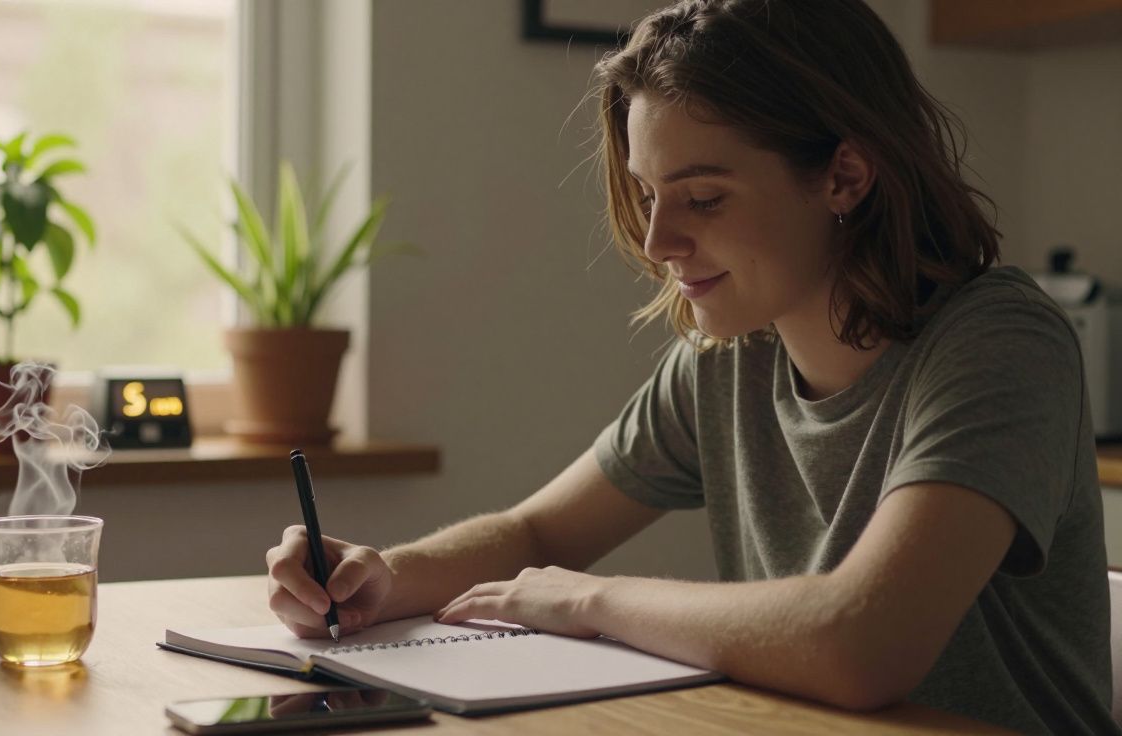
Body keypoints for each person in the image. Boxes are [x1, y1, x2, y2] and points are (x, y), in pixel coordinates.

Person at [265, 1, 1117, 733]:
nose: (657, 241)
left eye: (703, 198)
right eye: (648, 194)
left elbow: (865, 643)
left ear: (845, 176)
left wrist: (591, 603)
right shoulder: (731, 358)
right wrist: (383, 576)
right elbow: (536, 535)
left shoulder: (1002, 342)